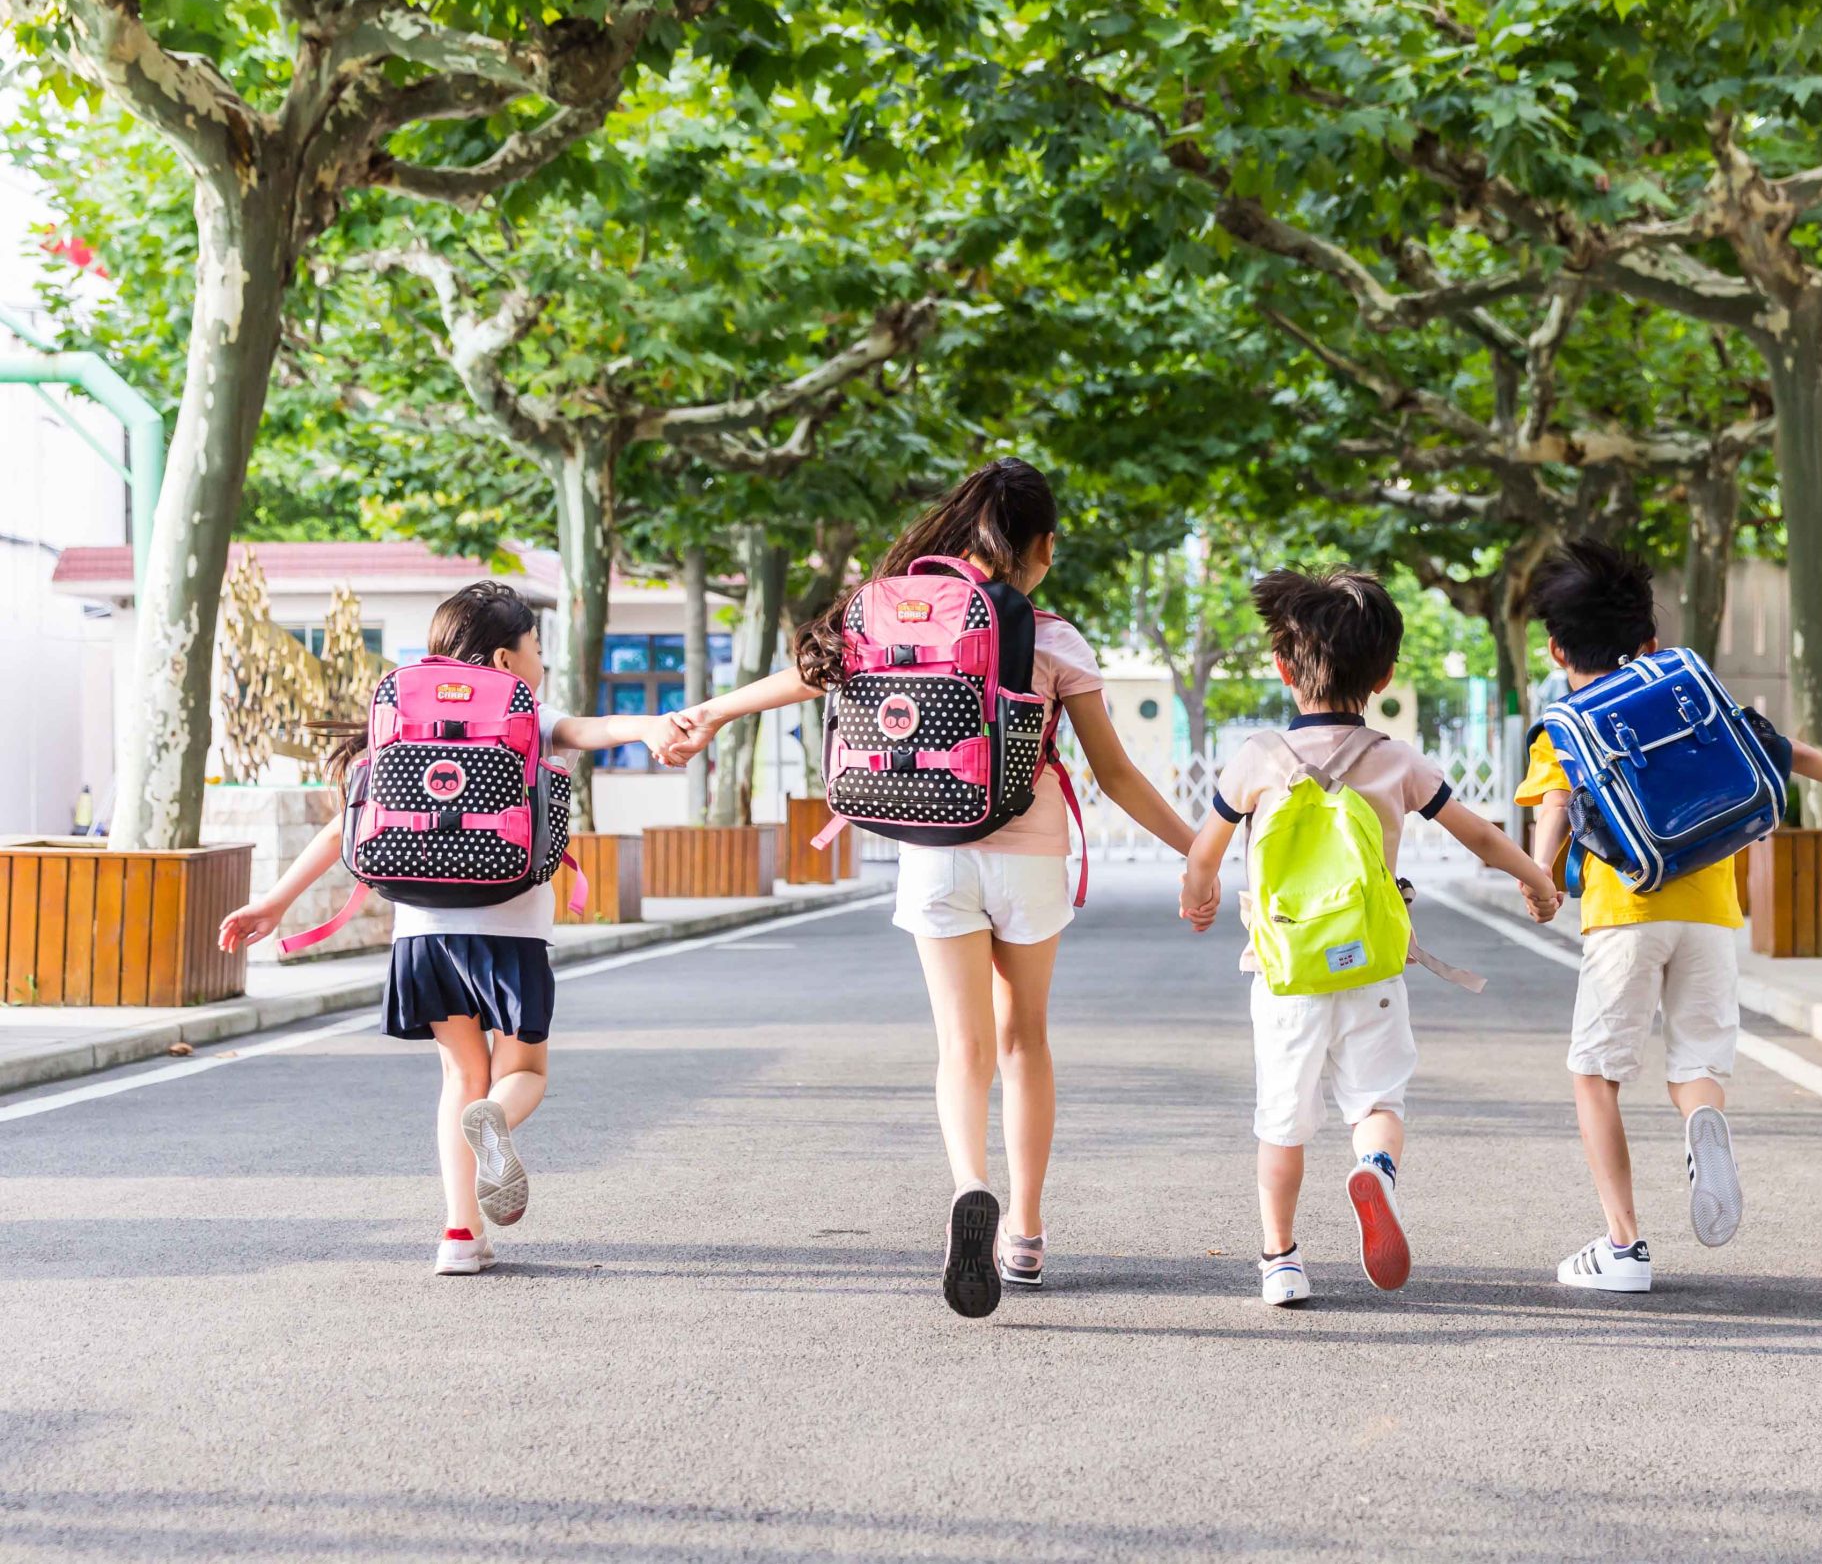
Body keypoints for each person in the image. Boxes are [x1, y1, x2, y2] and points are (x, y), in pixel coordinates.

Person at [659, 458, 1198, 1318]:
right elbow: (1118, 776)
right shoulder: (1054, 638)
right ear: (1043, 547)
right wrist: (1204, 850)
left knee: (962, 1049)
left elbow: (806, 676)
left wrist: (712, 714)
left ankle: (967, 1185)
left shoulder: (894, 616)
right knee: (1023, 1041)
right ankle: (1022, 1229)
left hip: (933, 849)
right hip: (1027, 852)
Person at [218, 581, 683, 1276]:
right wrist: (648, 727)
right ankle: (497, 1118)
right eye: (535, 649)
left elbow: (346, 822)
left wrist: (276, 903)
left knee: (458, 1076)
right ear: (505, 655)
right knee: (520, 1070)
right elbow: (595, 730)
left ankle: (460, 1237)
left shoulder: (403, 716)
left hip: (423, 933)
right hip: (513, 928)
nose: (540, 665)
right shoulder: (524, 710)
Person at [1516, 540, 1822, 1294]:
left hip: (1624, 911)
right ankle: (1703, 1121)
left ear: (1554, 648)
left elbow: (1557, 807)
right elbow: (1788, 751)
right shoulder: (1682, 691)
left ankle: (1624, 1247)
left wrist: (1541, 880)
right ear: (1649, 643)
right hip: (1711, 908)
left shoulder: (1566, 723)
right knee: (1697, 1063)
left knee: (1595, 1074)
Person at [1181, 568, 1561, 1308]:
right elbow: (1478, 834)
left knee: (1282, 1125)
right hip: (1373, 967)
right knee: (1378, 1102)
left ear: (1284, 669)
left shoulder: (1257, 758)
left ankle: (1281, 1260)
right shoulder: (1395, 759)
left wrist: (1200, 899)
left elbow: (1205, 854)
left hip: (1284, 972)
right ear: (1385, 675)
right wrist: (1537, 878)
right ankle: (1374, 1173)